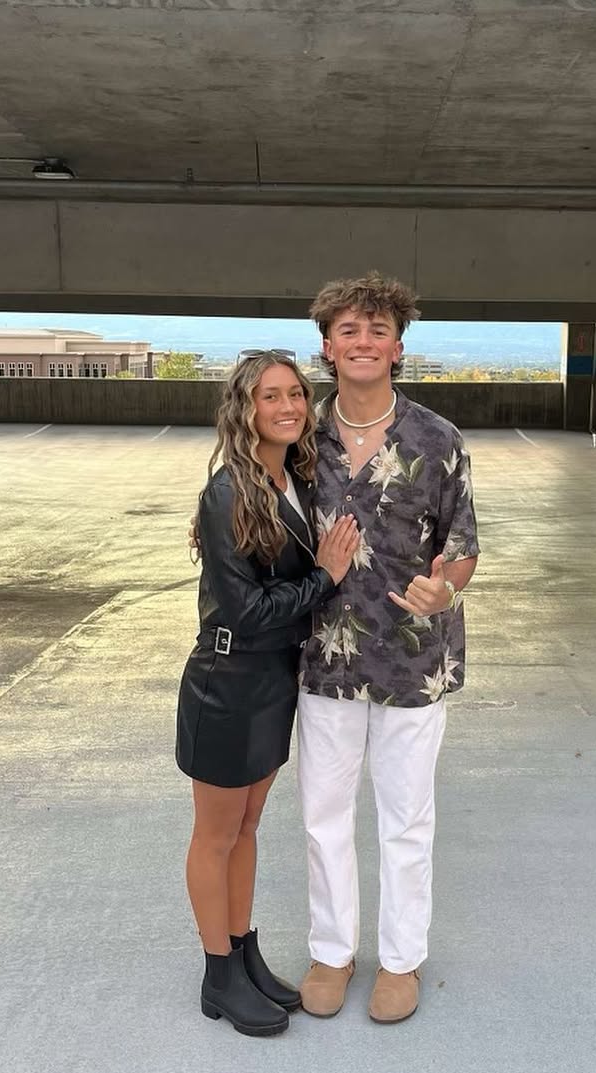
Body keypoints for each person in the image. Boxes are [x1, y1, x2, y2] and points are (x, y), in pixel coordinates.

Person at [296, 272, 480, 1024]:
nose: (364, 341)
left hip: (412, 656)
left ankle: (401, 961)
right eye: (349, 330)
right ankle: (331, 952)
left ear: (398, 347)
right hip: (323, 655)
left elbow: (462, 546)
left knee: (405, 817)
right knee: (323, 813)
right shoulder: (298, 438)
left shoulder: (437, 439)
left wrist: (447, 590)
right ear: (327, 346)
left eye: (378, 330)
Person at [176, 350, 359, 1037]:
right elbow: (247, 610)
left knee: (248, 828)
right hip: (227, 683)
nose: (288, 407)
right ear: (245, 409)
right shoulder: (227, 493)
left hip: (273, 680)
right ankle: (218, 975)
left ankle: (243, 951)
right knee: (215, 834)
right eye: (270, 396)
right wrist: (325, 577)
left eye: (296, 394)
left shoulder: (294, 481)